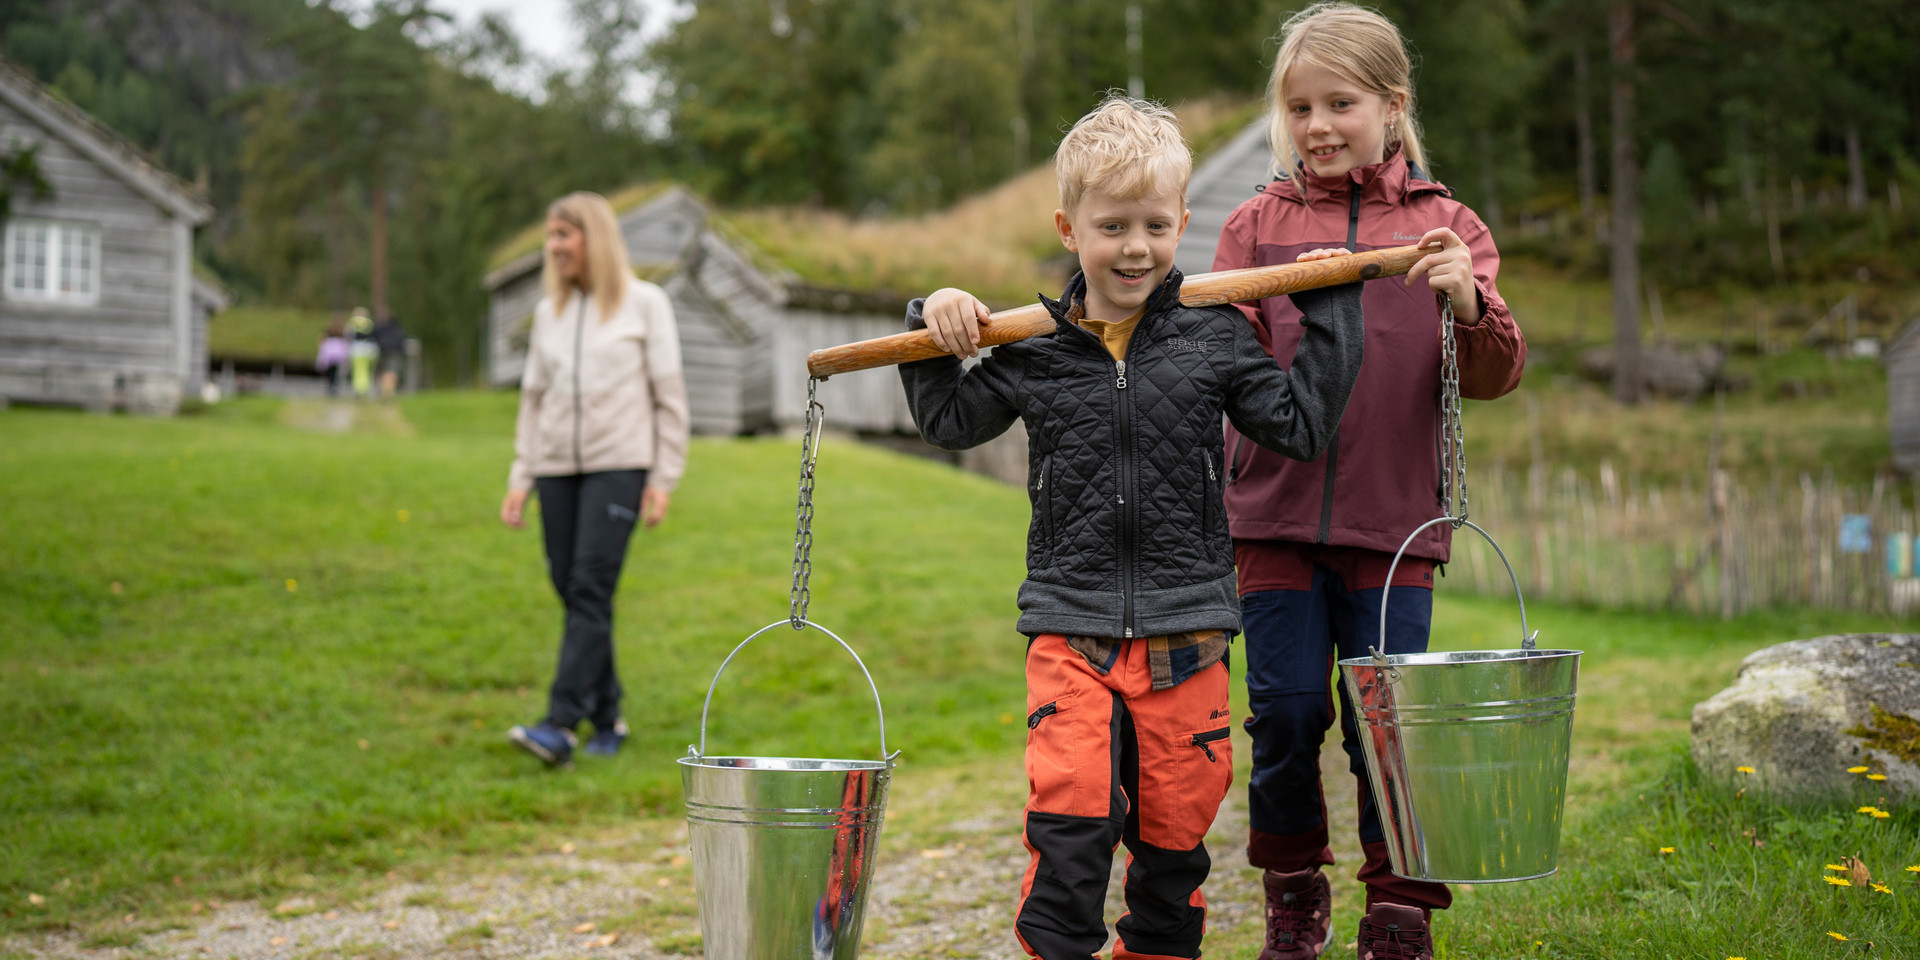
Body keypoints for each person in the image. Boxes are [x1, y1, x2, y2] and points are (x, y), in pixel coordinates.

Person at [902, 95, 1365, 960]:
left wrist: (1333, 306)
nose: (1137, 247)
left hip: (1187, 631)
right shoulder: (1033, 349)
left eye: (1156, 225)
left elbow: (1299, 426)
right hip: (1070, 627)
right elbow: (951, 423)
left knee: (1170, 849)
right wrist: (937, 322)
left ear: (1183, 222)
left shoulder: (1213, 338)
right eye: (1112, 225)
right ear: (1068, 228)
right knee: (1069, 832)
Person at [1214, 5, 1527, 959]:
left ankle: (1398, 908)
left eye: (1339, 102)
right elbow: (1229, 364)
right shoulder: (1254, 227)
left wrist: (1467, 301)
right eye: (1299, 105)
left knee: (1388, 731)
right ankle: (1293, 887)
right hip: (1270, 517)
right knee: (1287, 716)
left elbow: (1494, 372)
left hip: (1396, 526)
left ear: (1392, 106)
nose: (1317, 124)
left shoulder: (1445, 227)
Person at [499, 191, 690, 767]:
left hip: (620, 465)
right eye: (550, 236)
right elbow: (532, 400)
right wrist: (521, 475)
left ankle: (559, 724)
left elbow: (669, 397)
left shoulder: (645, 304)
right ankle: (608, 714)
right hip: (556, 468)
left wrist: (663, 476)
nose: (553, 247)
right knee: (573, 588)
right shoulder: (549, 315)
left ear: (594, 239)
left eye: (564, 235)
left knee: (588, 586)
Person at [347, 308, 379, 399]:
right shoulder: (369, 323)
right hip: (368, 349)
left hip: (356, 349)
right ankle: (365, 389)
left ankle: (358, 389)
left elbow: (349, 335)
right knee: (366, 370)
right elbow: (373, 335)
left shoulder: (352, 322)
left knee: (357, 370)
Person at [373, 313, 407, 398]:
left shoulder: (383, 329)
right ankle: (390, 390)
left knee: (384, 371)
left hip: (384, 351)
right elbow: (402, 342)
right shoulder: (399, 330)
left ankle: (384, 390)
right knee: (392, 371)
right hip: (395, 353)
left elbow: (376, 337)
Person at [315, 320, 349, 397]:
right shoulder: (341, 337)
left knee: (330, 374)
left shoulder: (328, 338)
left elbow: (322, 347)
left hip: (329, 359)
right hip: (337, 358)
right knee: (335, 374)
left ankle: (331, 387)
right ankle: (334, 387)